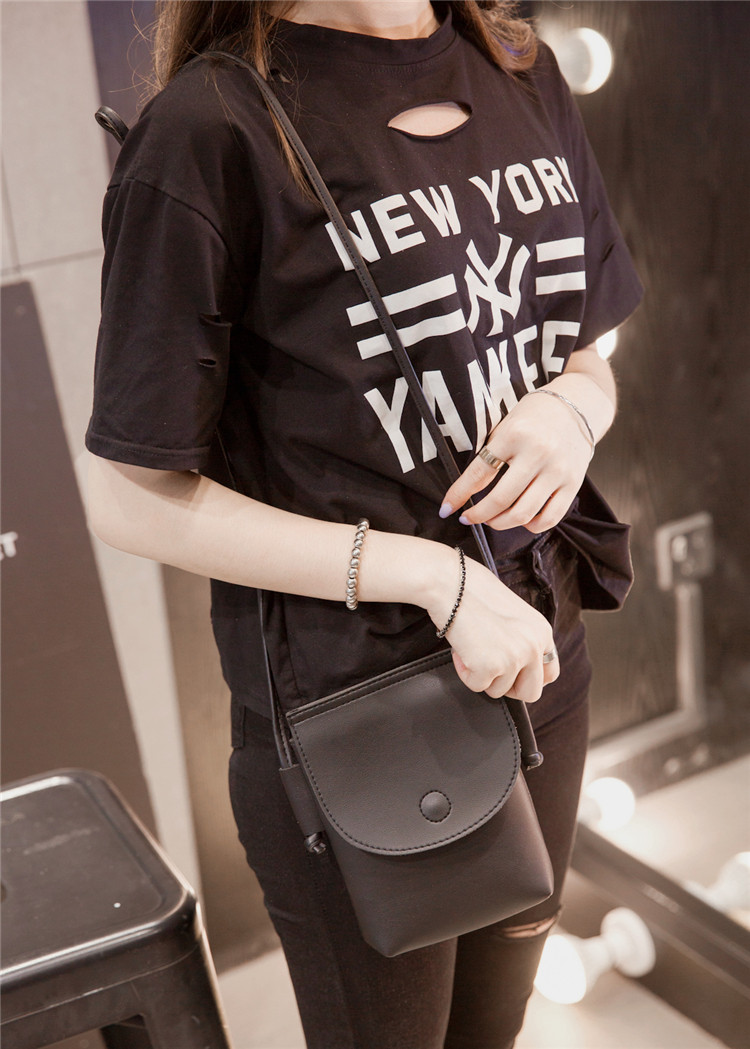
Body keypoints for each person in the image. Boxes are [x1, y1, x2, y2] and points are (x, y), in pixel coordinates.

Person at [86, 2, 643, 1046]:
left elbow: (582, 350)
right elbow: (130, 493)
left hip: (538, 655)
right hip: (358, 711)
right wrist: (436, 578)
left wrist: (573, 411)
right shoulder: (213, 128)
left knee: (493, 1029)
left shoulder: (519, 70)